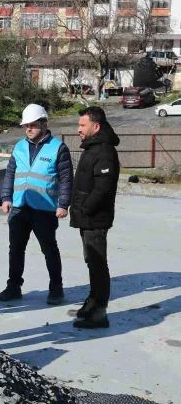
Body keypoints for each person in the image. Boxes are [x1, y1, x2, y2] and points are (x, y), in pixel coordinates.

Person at [0, 104, 74, 305]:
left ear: (44, 123)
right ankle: (14, 286)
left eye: (32, 125)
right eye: (26, 125)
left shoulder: (58, 148)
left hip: (45, 209)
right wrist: (6, 197)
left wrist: (63, 204)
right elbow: (10, 173)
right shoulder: (19, 147)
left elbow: (66, 179)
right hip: (20, 207)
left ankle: (56, 288)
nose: (28, 129)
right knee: (15, 250)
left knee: (49, 249)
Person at [70, 106, 120, 329]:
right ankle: (92, 302)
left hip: (95, 218)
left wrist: (85, 209)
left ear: (96, 126)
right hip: (87, 217)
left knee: (98, 263)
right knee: (92, 261)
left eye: (82, 125)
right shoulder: (93, 148)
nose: (78, 129)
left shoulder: (105, 152)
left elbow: (102, 189)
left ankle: (100, 312)